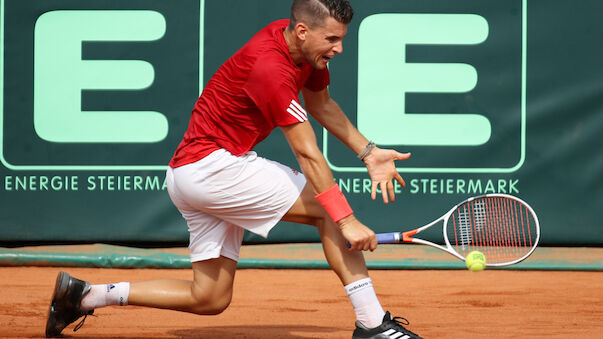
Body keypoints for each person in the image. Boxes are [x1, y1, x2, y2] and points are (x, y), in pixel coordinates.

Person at [45, 0, 422, 338]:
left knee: (209, 297)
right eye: (332, 39)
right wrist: (345, 220)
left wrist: (368, 151)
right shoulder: (270, 68)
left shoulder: (304, 51)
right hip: (212, 168)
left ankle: (87, 296)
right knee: (328, 208)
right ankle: (373, 324)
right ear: (303, 31)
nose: (339, 48)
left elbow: (322, 105)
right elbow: (308, 155)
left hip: (191, 174)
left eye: (342, 38)